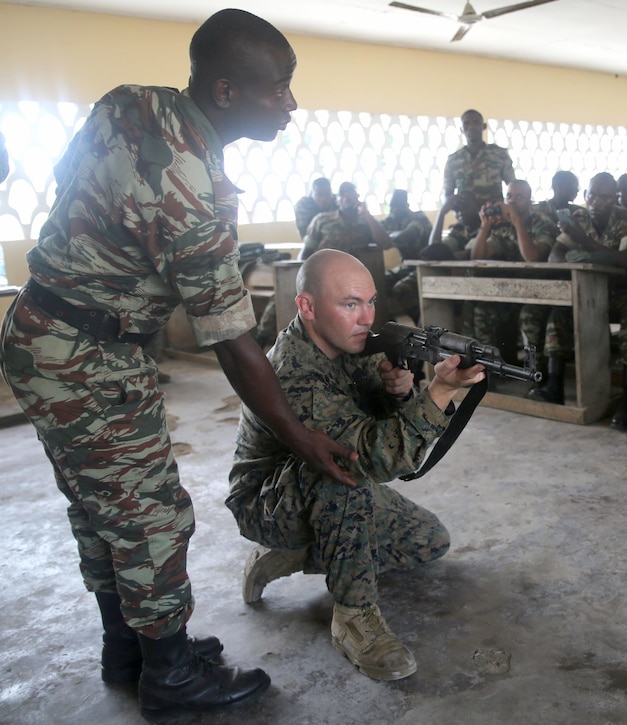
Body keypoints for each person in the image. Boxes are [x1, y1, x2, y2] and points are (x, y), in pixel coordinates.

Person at [0, 9, 359, 716]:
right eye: (278, 89)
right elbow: (232, 341)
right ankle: (170, 676)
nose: (291, 103)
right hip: (88, 356)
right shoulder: (194, 192)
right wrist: (300, 435)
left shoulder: (129, 102)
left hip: (41, 328)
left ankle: (127, 650)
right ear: (224, 93)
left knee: (103, 507)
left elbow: (79, 190)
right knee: (152, 517)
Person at [227, 249, 484, 680]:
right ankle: (353, 618)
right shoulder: (294, 372)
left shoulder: (357, 345)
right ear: (307, 307)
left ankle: (293, 555)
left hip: (322, 487)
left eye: (370, 302)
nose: (366, 317)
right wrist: (439, 392)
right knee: (343, 473)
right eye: (350, 304)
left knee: (428, 541)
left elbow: (391, 441)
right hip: (266, 501)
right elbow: (375, 458)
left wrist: (400, 394)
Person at [534, 172, 627, 430]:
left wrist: (581, 244)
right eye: (591, 195)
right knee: (559, 315)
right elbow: (554, 257)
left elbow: (625, 260)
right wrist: (587, 255)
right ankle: (555, 386)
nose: (596, 201)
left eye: (604, 197)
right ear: (585, 195)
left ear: (614, 198)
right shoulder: (578, 218)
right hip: (599, 290)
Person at [470, 179, 556, 360]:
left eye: (519, 197)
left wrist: (517, 222)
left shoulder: (541, 223)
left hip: (541, 294)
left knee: (528, 316)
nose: (512, 201)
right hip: (511, 293)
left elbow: (533, 257)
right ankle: (487, 371)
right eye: (509, 196)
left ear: (529, 201)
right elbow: (477, 257)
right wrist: (485, 226)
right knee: (482, 311)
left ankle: (537, 374)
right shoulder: (502, 225)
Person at [428, 109, 515, 255]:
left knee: (475, 254)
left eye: (476, 122)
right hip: (466, 222)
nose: (471, 127)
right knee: (438, 252)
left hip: (493, 221)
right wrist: (458, 212)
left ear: (484, 126)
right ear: (461, 129)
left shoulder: (499, 155)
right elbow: (448, 195)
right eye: (466, 123)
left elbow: (512, 187)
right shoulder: (453, 160)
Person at [301, 181, 393, 260]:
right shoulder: (321, 220)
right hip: (327, 272)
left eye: (350, 191)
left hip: (357, 273)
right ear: (336, 200)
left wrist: (366, 214)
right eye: (342, 193)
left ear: (357, 196)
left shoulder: (367, 222)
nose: (347, 196)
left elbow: (386, 244)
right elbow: (306, 252)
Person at [381, 188, 433, 262]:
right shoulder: (391, 221)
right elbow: (375, 231)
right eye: (392, 206)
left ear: (407, 205)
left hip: (425, 264)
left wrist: (387, 235)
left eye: (399, 205)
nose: (395, 209)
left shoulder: (419, 217)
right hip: (408, 265)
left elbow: (404, 236)